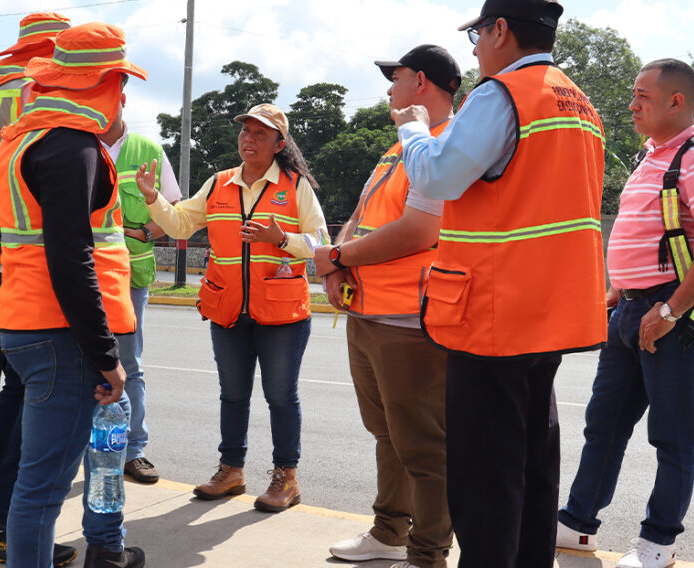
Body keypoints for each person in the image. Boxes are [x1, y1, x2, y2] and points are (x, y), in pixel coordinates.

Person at [393, 1, 607, 566]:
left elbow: (440, 174)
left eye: (478, 36)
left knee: (486, 484)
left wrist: (414, 133)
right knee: (535, 474)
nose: (476, 49)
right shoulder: (576, 100)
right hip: (548, 317)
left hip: (492, 318)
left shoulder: (502, 94)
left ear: (501, 30)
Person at [557, 59, 694, 568]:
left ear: (676, 101)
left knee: (671, 434)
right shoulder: (652, 156)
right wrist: (622, 288)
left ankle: (657, 544)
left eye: (642, 95)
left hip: (671, 317)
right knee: (605, 425)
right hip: (632, 308)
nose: (632, 103)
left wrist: (669, 309)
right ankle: (576, 524)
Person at [0, 22, 147, 568]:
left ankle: (105, 546)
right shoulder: (71, 148)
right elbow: (70, 255)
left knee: (37, 484)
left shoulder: (28, 138)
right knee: (41, 491)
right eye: (120, 84)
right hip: (63, 335)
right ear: (101, 84)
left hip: (27, 320)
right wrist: (105, 355)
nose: (122, 98)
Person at [138, 103, 329, 513]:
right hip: (228, 309)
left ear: (279, 144)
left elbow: (320, 244)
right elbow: (181, 225)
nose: (249, 139)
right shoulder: (219, 182)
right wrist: (154, 198)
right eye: (245, 131)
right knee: (233, 395)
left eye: (261, 134)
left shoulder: (296, 187)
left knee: (280, 397)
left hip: (281, 315)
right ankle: (231, 470)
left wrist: (282, 239)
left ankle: (286, 477)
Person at [314, 45, 459, 568]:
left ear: (421, 82)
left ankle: (428, 551)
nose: (389, 90)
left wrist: (335, 255)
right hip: (370, 311)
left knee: (423, 446)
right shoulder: (398, 147)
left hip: (411, 319)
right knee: (388, 434)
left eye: (395, 79)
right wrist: (340, 265)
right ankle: (389, 531)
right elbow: (361, 213)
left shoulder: (446, 144)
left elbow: (420, 230)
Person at [0, 12, 79, 568]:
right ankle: (8, 526)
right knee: (35, 397)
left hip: (1, 258)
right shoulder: (33, 88)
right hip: (30, 260)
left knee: (16, 391)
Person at [96, 94, 182, 485]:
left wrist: (146, 231)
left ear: (122, 100)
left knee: (129, 364)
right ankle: (90, 449)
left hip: (130, 276)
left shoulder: (148, 149)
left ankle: (134, 451)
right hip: (84, 274)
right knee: (82, 366)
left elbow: (174, 211)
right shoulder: (76, 142)